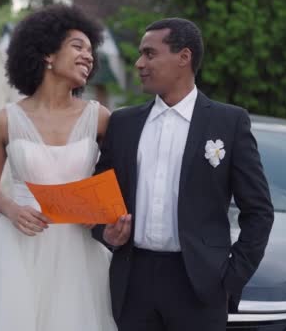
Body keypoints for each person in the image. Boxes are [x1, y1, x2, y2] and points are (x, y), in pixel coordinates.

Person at [93, 18, 275, 330]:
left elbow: (259, 211)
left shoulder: (229, 123)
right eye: (140, 54)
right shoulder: (123, 124)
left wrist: (230, 280)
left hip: (199, 286)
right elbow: (98, 197)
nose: (139, 63)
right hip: (132, 281)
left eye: (150, 54)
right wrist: (104, 232)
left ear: (184, 57)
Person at [0, 5, 117, 331]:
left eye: (90, 50)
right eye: (77, 46)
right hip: (19, 246)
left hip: (80, 250)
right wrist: (13, 210)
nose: (88, 56)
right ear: (47, 54)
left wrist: (103, 213)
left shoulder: (100, 119)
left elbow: (117, 180)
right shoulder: (3, 122)